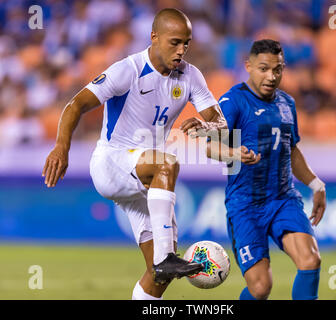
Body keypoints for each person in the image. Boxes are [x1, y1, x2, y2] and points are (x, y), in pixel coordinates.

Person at [42, 8, 227, 300]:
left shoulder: (191, 76)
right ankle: (166, 257)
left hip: (145, 178)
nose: (182, 51)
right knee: (166, 163)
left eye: (186, 44)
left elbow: (221, 124)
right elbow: (75, 105)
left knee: (158, 277)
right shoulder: (127, 70)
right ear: (154, 37)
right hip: (112, 162)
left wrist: (206, 125)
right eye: (175, 42)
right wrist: (61, 148)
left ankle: (162, 263)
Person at [207, 39, 326, 300]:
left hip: (283, 199)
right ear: (248, 66)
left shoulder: (287, 103)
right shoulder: (232, 102)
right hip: (246, 205)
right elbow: (210, 147)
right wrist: (233, 153)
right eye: (264, 69)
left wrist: (316, 184)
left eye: (277, 69)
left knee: (310, 260)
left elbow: (291, 150)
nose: (271, 77)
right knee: (261, 288)